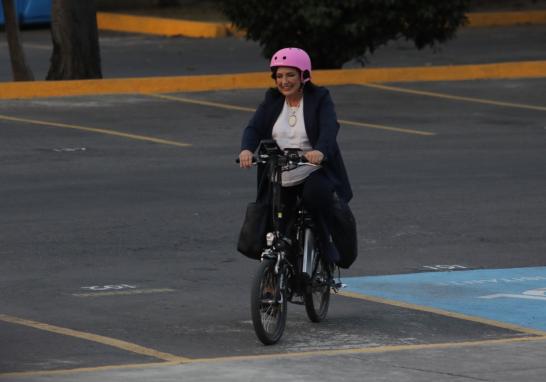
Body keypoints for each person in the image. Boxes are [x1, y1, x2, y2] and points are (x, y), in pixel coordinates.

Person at [238, 47, 352, 264]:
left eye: (290, 75)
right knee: (277, 223)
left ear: (303, 75)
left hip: (313, 169)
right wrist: (246, 149)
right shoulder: (272, 99)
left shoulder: (319, 97)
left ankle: (325, 244)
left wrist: (319, 151)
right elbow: (254, 127)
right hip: (282, 170)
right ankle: (275, 274)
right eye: (279, 76)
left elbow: (329, 127)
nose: (284, 81)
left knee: (314, 196)